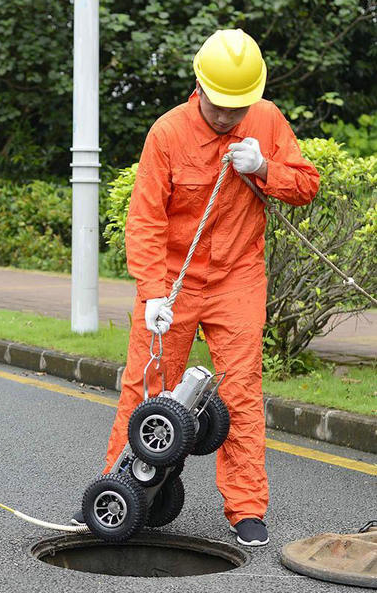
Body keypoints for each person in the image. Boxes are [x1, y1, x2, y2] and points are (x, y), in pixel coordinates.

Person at [73, 29, 320, 546]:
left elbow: (305, 185)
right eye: (221, 105)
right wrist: (154, 292)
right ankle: (118, 491)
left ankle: (246, 507)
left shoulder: (267, 121)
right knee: (146, 390)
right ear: (199, 86)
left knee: (241, 392)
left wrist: (267, 168)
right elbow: (145, 220)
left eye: (239, 106)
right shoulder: (167, 133)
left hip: (238, 279)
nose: (229, 117)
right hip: (173, 282)